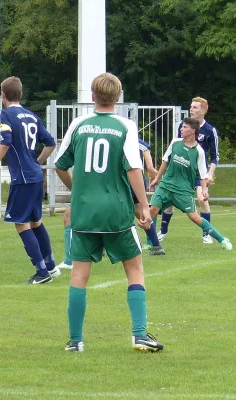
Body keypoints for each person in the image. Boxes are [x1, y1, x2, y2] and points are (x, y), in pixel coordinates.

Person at [54, 72, 163, 352]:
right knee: (135, 269)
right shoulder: (125, 126)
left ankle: (75, 341)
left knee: (79, 275)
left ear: (92, 96)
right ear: (119, 97)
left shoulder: (78, 124)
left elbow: (59, 164)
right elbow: (133, 168)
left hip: (84, 212)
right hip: (115, 211)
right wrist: (143, 206)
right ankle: (139, 334)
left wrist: (78, 189)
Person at [0, 76, 59, 284]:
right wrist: (37, 161)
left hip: (23, 178)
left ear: (3, 95)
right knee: (36, 222)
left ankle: (42, 272)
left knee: (21, 223)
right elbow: (50, 143)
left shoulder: (5, 114)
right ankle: (51, 266)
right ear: (21, 94)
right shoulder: (31, 116)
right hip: (35, 175)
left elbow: (6, 141)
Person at [55, 137, 163, 270]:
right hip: (127, 179)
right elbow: (144, 149)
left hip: (116, 181)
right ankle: (155, 244)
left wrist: (151, 167)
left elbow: (144, 148)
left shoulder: (113, 133)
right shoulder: (113, 132)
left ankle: (70, 260)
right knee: (138, 211)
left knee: (70, 216)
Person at [149, 117, 231, 250]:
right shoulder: (175, 142)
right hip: (166, 185)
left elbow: (203, 174)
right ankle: (151, 243)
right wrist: (157, 179)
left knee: (194, 217)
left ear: (193, 131)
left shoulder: (199, 151)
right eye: (181, 126)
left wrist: (204, 190)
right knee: (152, 210)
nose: (181, 129)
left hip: (183, 190)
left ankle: (221, 239)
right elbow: (165, 160)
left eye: (184, 127)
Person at [158, 97, 219, 244]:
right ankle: (163, 231)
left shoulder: (210, 130)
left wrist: (210, 174)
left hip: (199, 173)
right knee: (170, 201)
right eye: (191, 107)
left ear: (203, 110)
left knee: (202, 199)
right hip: (183, 171)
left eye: (195, 107)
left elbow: (214, 156)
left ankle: (206, 234)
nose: (191, 109)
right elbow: (178, 148)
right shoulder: (183, 126)